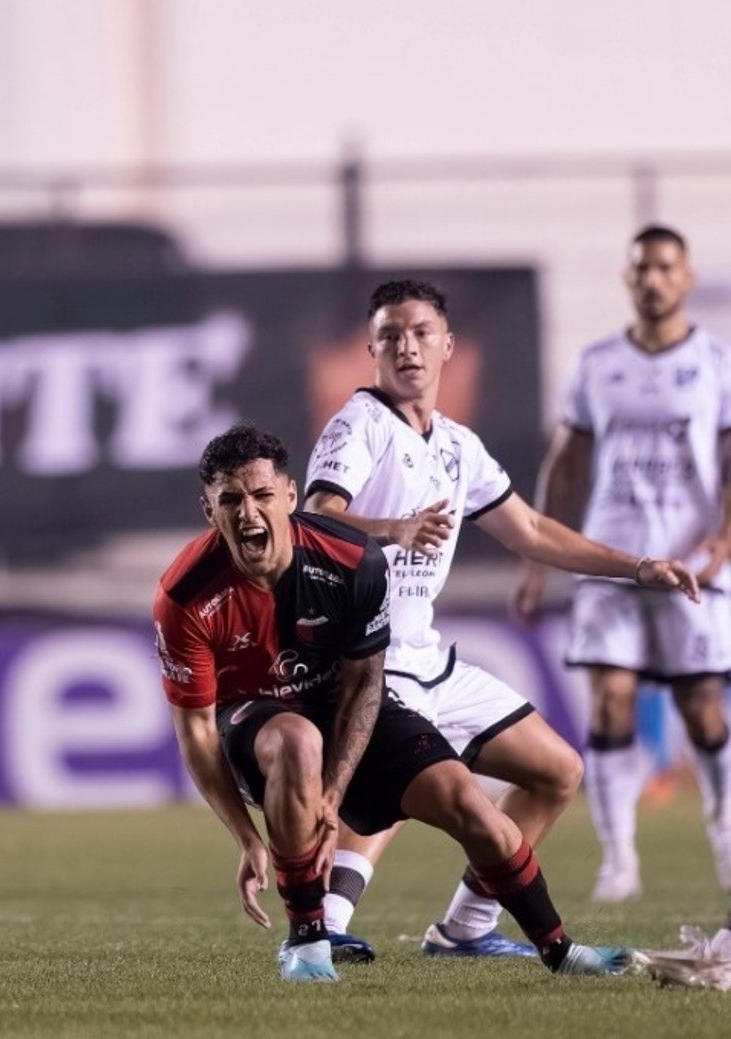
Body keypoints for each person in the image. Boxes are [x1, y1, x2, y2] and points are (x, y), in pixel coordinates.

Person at [303, 279, 700, 962]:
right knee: (403, 786)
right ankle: (322, 928)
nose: (407, 346)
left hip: (426, 659)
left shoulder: (457, 444)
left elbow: (532, 531)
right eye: (391, 334)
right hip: (363, 660)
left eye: (421, 332)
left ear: (446, 344)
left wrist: (637, 565)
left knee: (556, 770)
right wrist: (395, 528)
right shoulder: (358, 425)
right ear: (370, 347)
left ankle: (462, 929)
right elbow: (313, 518)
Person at [154, 422, 635, 982]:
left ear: (289, 495)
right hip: (253, 724)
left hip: (342, 704)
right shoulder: (184, 595)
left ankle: (559, 950)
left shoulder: (351, 560)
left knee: (465, 799)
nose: (248, 514)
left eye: (262, 495)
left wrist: (333, 794)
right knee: (296, 740)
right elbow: (196, 733)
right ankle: (307, 944)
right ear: (208, 509)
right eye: (230, 500)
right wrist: (246, 837)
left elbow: (363, 687)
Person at [514, 226, 731, 903]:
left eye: (664, 267)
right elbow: (567, 460)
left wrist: (722, 543)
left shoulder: (715, 363)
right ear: (626, 277)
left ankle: (724, 835)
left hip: (691, 562)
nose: (652, 279)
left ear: (686, 277)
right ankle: (619, 859)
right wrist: (537, 556)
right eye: (641, 268)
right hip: (611, 559)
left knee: (700, 707)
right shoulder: (596, 362)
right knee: (608, 699)